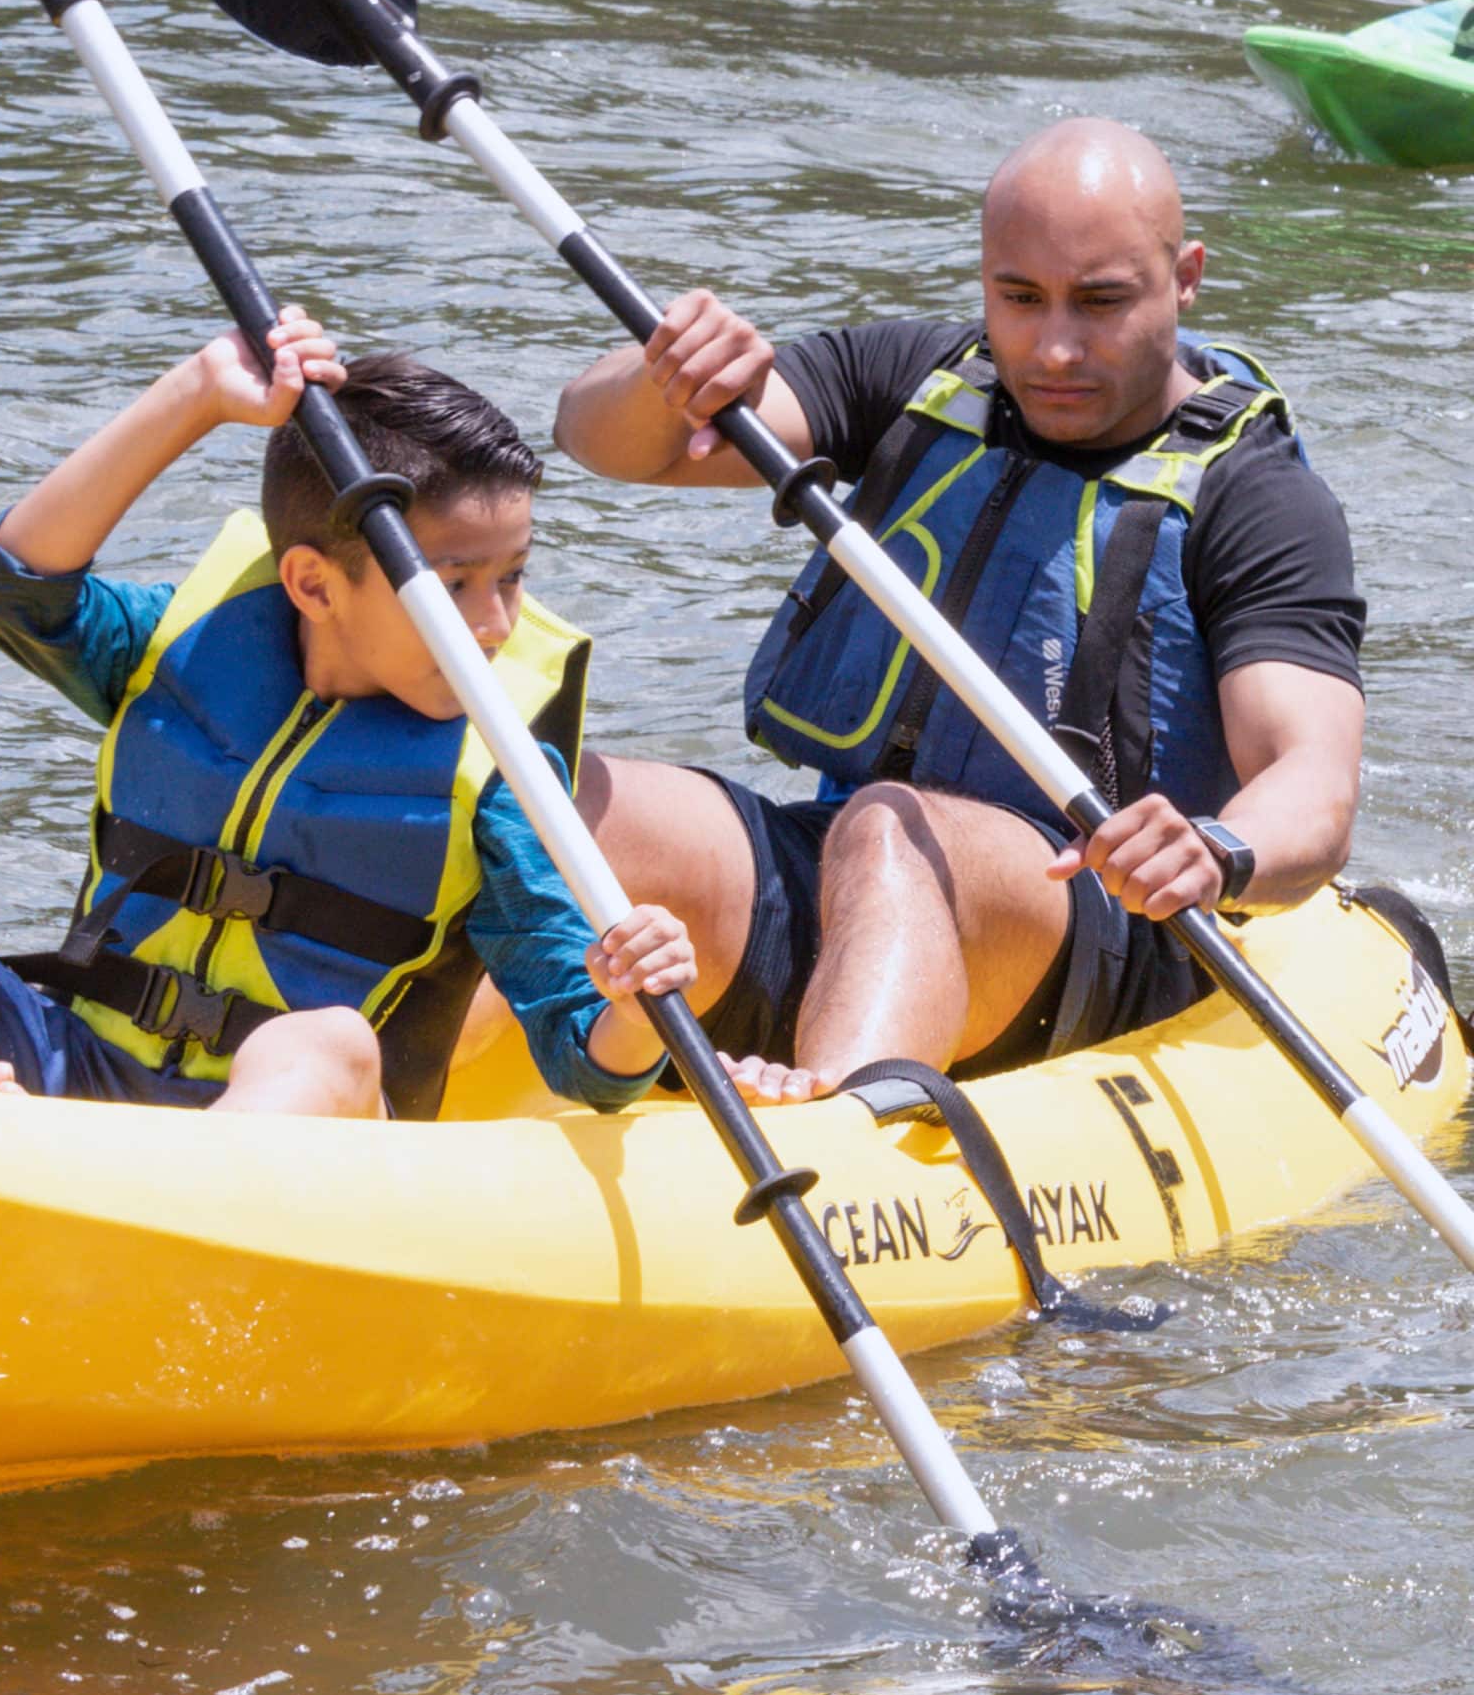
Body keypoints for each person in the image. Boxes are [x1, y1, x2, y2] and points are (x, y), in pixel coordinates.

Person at [0, 309, 695, 1120]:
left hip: (290, 1136)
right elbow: (14, 585)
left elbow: (583, 1059)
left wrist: (633, 1012)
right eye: (452, 585)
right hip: (74, 1056)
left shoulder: (499, 769)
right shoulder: (187, 646)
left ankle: (83, 1193)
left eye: (512, 578)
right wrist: (198, 395)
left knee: (326, 1040)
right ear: (311, 584)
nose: (493, 624)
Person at [553, 118, 1365, 1104]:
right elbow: (603, 440)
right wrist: (660, 379)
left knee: (892, 827)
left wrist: (1217, 849)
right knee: (565, 798)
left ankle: (841, 1136)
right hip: (861, 881)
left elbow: (1312, 783)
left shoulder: (1258, 497)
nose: (1055, 346)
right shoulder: (923, 380)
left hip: (1099, 927)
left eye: (1101, 301)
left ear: (1186, 275)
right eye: (1019, 298)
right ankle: (408, 1075)